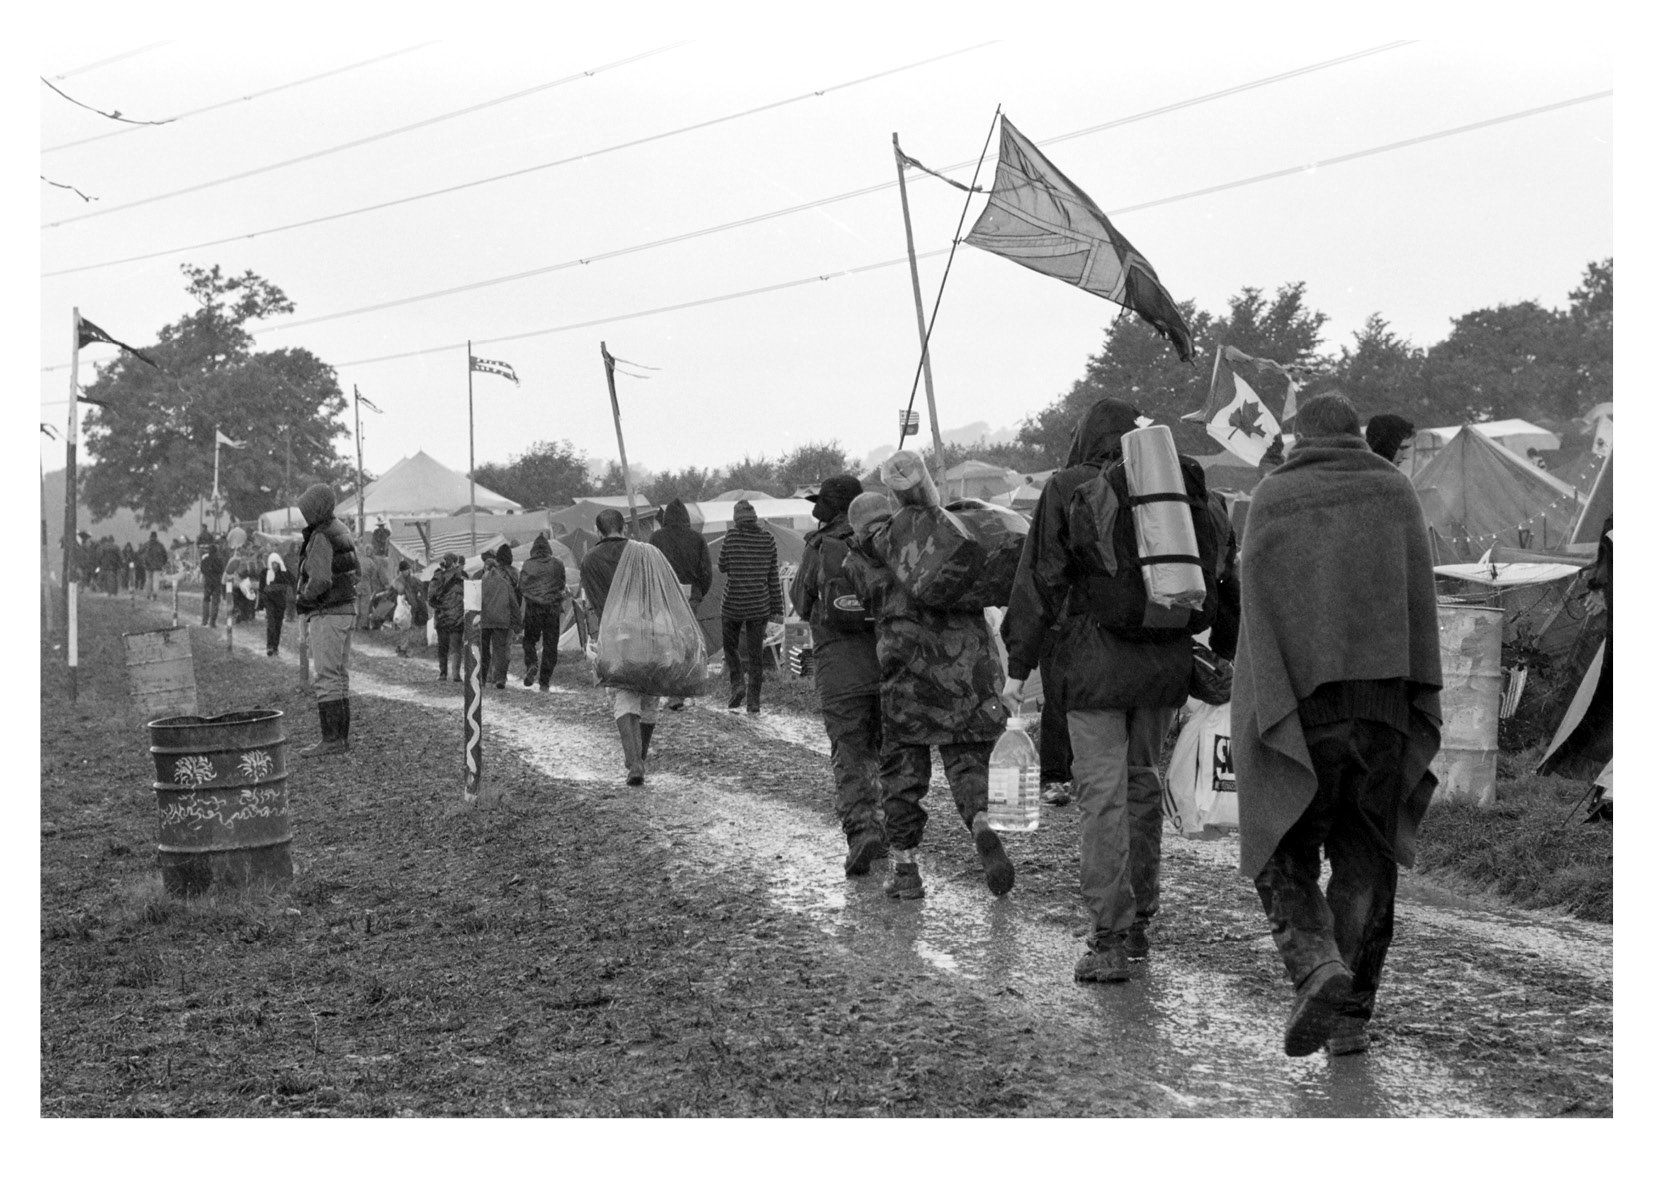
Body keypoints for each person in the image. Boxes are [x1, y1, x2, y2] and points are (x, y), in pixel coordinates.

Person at [1232, 392, 1442, 1058]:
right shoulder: (1394, 489)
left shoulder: (1274, 496)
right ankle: (1349, 1017)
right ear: (1355, 433)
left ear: (1300, 435)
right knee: (1364, 856)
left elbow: (1259, 619)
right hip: (1383, 710)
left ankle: (1317, 964)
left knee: (1283, 849)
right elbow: (1420, 605)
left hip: (1306, 713)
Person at [999, 398, 1201, 984]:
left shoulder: (1070, 486)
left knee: (1103, 796)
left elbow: (1038, 580)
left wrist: (1017, 670)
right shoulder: (1173, 483)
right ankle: (1139, 922)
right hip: (1164, 662)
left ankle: (1108, 936)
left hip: (1095, 668)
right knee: (1142, 784)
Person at [844, 466, 1015, 902]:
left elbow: (872, 599)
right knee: (968, 764)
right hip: (970, 672)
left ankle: (905, 872)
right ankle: (981, 824)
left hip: (909, 682)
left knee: (903, 778)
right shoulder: (940, 533)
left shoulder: (859, 559)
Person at [791, 474, 887, 876]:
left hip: (838, 671)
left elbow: (799, 603)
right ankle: (894, 835)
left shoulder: (820, 548)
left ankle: (862, 832)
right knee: (887, 753)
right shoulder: (882, 540)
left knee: (849, 753)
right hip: (887, 665)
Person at [580, 509, 660, 785]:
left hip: (612, 631)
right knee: (648, 694)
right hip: (645, 629)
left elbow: (592, 603)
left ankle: (634, 761)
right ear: (624, 528)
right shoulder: (641, 553)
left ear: (598, 531)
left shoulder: (589, 560)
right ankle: (641, 757)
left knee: (623, 693)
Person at [294, 483, 362, 757]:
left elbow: (320, 579)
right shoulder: (342, 529)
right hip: (346, 610)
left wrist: (305, 599)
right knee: (340, 676)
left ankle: (331, 740)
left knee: (326, 676)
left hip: (328, 612)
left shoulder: (321, 536)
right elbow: (356, 572)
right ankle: (340, 739)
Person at [717, 500, 783, 714]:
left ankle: (737, 684)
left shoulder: (731, 536)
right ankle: (754, 702)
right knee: (756, 654)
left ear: (736, 519)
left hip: (733, 604)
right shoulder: (768, 539)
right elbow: (773, 575)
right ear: (754, 517)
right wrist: (778, 608)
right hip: (759, 604)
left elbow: (722, 565)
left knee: (730, 647)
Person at [649, 498, 713, 710]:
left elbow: (649, 570)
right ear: (686, 518)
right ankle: (684, 688)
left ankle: (670, 690)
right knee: (686, 643)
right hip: (689, 596)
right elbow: (706, 572)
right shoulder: (697, 539)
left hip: (663, 596)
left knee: (666, 642)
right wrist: (698, 595)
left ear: (666, 518)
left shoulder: (656, 538)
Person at [518, 534, 568, 691]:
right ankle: (544, 681)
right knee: (550, 645)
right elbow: (562, 584)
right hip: (552, 610)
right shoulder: (558, 564)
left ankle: (532, 663)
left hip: (533, 609)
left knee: (529, 641)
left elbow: (521, 587)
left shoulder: (527, 564)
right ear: (548, 549)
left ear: (533, 550)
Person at [477, 551, 520, 689]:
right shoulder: (505, 583)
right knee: (500, 650)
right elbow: (513, 603)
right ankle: (500, 679)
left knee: (483, 650)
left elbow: (475, 602)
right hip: (502, 620)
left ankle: (482, 678)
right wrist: (517, 622)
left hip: (484, 621)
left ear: (486, 568)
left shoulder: (480, 583)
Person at [428, 553, 467, 681]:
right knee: (456, 647)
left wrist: (440, 606)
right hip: (457, 618)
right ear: (455, 563)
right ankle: (456, 674)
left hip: (442, 617)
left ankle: (443, 673)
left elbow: (431, 599)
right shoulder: (462, 577)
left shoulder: (437, 577)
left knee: (443, 647)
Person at [260, 550, 294, 656]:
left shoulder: (284, 573)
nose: (274, 566)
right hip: (269, 602)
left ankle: (275, 647)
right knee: (271, 623)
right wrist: (263, 602)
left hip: (280, 603)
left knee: (278, 625)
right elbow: (261, 588)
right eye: (273, 563)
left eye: (276, 563)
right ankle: (269, 646)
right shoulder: (265, 572)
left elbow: (293, 582)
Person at [198, 541, 226, 627]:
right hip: (217, 583)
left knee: (206, 601)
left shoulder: (204, 561)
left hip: (207, 583)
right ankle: (212, 622)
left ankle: (204, 620)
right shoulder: (219, 561)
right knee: (215, 602)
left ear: (208, 551)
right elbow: (222, 570)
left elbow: (202, 570)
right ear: (216, 551)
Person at [142, 530, 168, 599]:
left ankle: (148, 594)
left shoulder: (146, 544)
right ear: (156, 537)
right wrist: (163, 563)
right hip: (157, 565)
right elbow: (165, 555)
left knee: (148, 579)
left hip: (148, 565)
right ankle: (155, 594)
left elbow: (140, 553)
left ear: (150, 537)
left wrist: (143, 562)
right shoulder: (160, 545)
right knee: (156, 580)